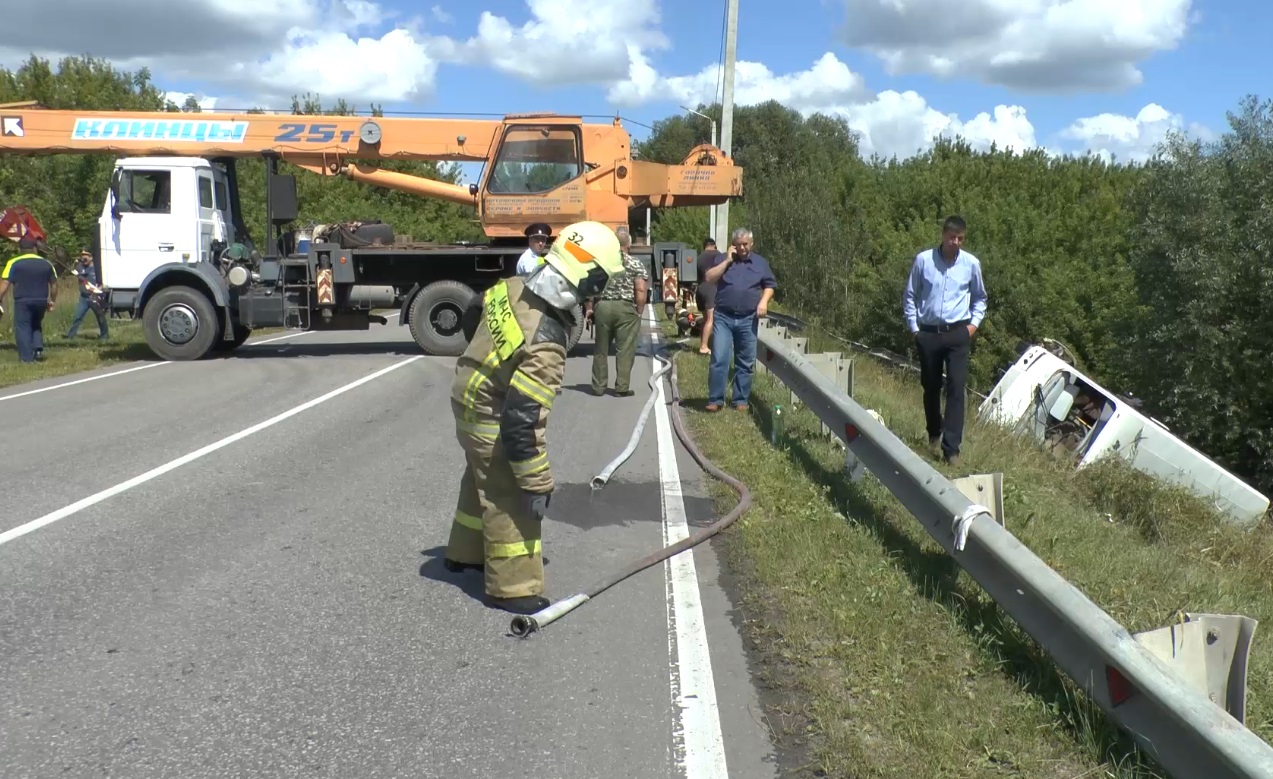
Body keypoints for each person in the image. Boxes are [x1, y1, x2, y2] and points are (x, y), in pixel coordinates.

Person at [444, 220, 626, 615]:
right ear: (591, 279)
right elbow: (522, 425)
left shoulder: (511, 286)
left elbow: (473, 313)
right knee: (508, 492)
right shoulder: (547, 338)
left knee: (480, 475)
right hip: (489, 411)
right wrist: (538, 486)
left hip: (466, 392)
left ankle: (464, 553)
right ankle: (512, 588)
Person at [901, 215, 988, 467]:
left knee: (956, 387)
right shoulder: (924, 260)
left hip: (957, 333)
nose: (956, 242)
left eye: (960, 238)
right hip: (928, 332)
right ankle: (934, 433)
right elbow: (910, 295)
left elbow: (980, 298)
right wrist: (915, 328)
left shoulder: (971, 264)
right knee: (930, 386)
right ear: (943, 235)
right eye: (952, 237)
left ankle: (952, 450)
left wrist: (972, 326)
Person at [701, 227, 776, 412]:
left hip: (748, 318)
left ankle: (740, 400)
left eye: (745, 244)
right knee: (719, 358)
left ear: (751, 244)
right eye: (738, 244)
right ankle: (715, 399)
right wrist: (727, 260)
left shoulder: (760, 263)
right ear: (733, 244)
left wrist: (763, 301)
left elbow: (770, 285)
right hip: (724, 317)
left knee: (745, 360)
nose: (742, 248)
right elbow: (709, 278)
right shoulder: (722, 259)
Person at [590, 226, 648, 396]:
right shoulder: (634, 263)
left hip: (604, 306)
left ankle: (598, 386)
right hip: (625, 308)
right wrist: (639, 310)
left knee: (601, 348)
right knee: (625, 349)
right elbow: (640, 289)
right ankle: (621, 387)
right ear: (628, 244)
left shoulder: (603, 262)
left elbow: (593, 286)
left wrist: (590, 307)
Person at [0, 236, 58, 363]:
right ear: (35, 248)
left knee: (23, 327)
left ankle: (26, 358)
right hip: (41, 299)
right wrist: (52, 300)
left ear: (20, 249)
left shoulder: (14, 263)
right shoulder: (46, 263)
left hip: (23, 300)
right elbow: (54, 284)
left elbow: (4, 284)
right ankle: (37, 350)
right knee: (36, 324)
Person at [64, 249, 109, 341]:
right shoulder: (79, 267)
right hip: (84, 298)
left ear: (91, 257)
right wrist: (74, 263)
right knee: (78, 316)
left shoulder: (98, 269)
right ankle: (70, 336)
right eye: (82, 255)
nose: (83, 257)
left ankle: (104, 335)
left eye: (86, 255)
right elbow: (70, 271)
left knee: (100, 317)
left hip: (95, 297)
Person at [694, 237, 719, 355]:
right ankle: (704, 347)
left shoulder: (699, 258)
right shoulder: (719, 255)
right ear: (714, 245)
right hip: (711, 288)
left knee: (705, 319)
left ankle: (703, 344)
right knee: (711, 319)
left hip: (700, 289)